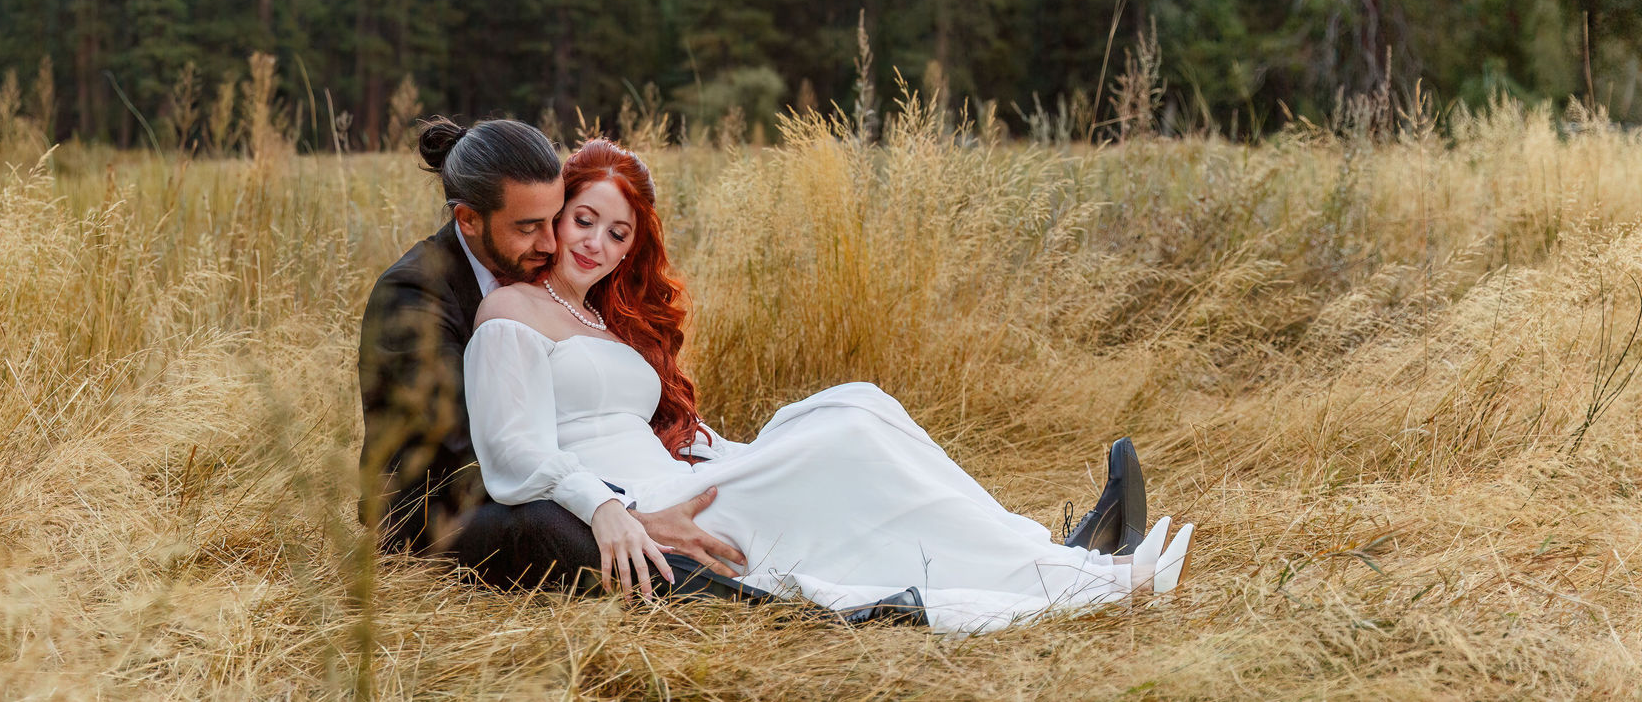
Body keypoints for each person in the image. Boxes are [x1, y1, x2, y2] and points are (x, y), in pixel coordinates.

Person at [464, 138, 1196, 634]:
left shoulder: (595, 317)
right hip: (651, 508)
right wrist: (610, 510)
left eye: (618, 234)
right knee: (846, 440)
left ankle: (1054, 556)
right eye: (583, 220)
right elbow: (511, 454)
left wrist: (721, 448)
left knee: (858, 404)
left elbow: (631, 419)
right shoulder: (510, 313)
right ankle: (1082, 576)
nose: (596, 243)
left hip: (688, 476)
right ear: (554, 216)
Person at [356, 117, 747, 589]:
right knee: (550, 524)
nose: (550, 242)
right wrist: (619, 506)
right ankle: (744, 594)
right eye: (529, 227)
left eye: (555, 218)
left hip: (555, 481)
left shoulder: (549, 279)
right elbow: (464, 452)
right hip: (444, 510)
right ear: (469, 220)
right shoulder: (415, 292)